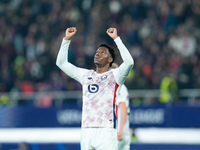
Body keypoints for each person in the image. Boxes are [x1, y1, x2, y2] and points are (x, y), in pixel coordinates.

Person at [56, 27, 134, 150]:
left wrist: (116, 39)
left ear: (110, 59)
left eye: (103, 52)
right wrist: (66, 40)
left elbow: (129, 62)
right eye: (97, 52)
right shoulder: (86, 75)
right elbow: (61, 63)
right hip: (86, 130)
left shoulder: (115, 76)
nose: (98, 53)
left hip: (106, 130)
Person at [111, 63, 131, 150]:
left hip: (118, 133)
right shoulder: (123, 87)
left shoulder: (118, 87)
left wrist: (120, 130)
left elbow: (123, 107)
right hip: (124, 132)